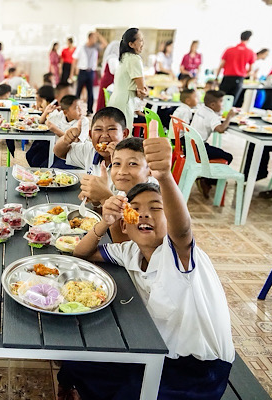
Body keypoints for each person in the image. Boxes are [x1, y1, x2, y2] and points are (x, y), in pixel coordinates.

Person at [59, 131, 234, 400]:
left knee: (128, 393)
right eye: (136, 209)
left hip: (198, 368)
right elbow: (82, 253)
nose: (144, 214)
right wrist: (105, 221)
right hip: (157, 349)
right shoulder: (131, 251)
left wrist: (165, 177)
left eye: (156, 208)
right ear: (125, 224)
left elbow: (182, 230)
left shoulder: (178, 256)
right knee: (76, 360)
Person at [54, 107, 129, 200]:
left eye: (111, 129)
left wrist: (119, 160)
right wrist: (65, 140)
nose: (104, 135)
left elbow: (126, 206)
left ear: (124, 134)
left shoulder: (131, 162)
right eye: (98, 129)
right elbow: (59, 153)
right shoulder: (90, 150)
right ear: (90, 135)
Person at [190, 90, 236, 197]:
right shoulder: (212, 116)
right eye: (221, 102)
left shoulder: (201, 109)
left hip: (190, 147)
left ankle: (208, 179)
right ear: (213, 105)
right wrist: (229, 117)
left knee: (216, 151)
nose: (223, 105)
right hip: (200, 149)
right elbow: (220, 129)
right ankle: (206, 180)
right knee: (228, 157)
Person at [108, 28, 148, 131]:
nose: (143, 43)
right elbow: (142, 90)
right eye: (140, 40)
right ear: (131, 44)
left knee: (115, 134)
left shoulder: (124, 57)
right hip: (125, 102)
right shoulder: (135, 59)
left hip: (115, 99)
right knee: (124, 134)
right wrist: (144, 92)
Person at [71, 31, 107, 114]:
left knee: (90, 92)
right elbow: (74, 60)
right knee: (78, 92)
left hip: (91, 72)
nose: (95, 40)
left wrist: (99, 35)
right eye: (94, 38)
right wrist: (72, 73)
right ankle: (74, 109)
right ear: (89, 38)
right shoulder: (81, 47)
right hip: (82, 71)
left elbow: (105, 44)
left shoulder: (95, 47)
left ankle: (90, 110)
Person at [215, 30, 256, 106]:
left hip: (226, 78)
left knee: (219, 101)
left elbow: (221, 65)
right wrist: (243, 74)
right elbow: (251, 70)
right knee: (231, 103)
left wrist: (216, 77)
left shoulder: (229, 50)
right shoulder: (250, 52)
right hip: (238, 79)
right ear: (249, 39)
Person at [96, 40, 120, 111]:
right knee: (104, 100)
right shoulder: (112, 58)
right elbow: (114, 70)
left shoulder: (113, 57)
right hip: (109, 80)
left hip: (108, 79)